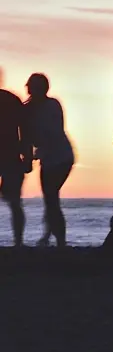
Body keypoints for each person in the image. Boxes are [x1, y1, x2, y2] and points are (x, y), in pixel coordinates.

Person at [25, 73, 75, 248]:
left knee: (51, 198)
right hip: (51, 158)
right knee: (51, 198)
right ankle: (49, 236)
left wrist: (34, 154)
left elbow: (52, 133)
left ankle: (59, 240)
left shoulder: (50, 106)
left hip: (60, 157)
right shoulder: (30, 109)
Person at [0, 69, 31, 246]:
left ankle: (18, 241)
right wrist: (27, 156)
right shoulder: (13, 100)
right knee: (14, 202)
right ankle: (18, 242)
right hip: (11, 156)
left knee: (14, 202)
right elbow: (25, 131)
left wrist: (27, 156)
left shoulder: (12, 100)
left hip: (10, 155)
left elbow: (24, 130)